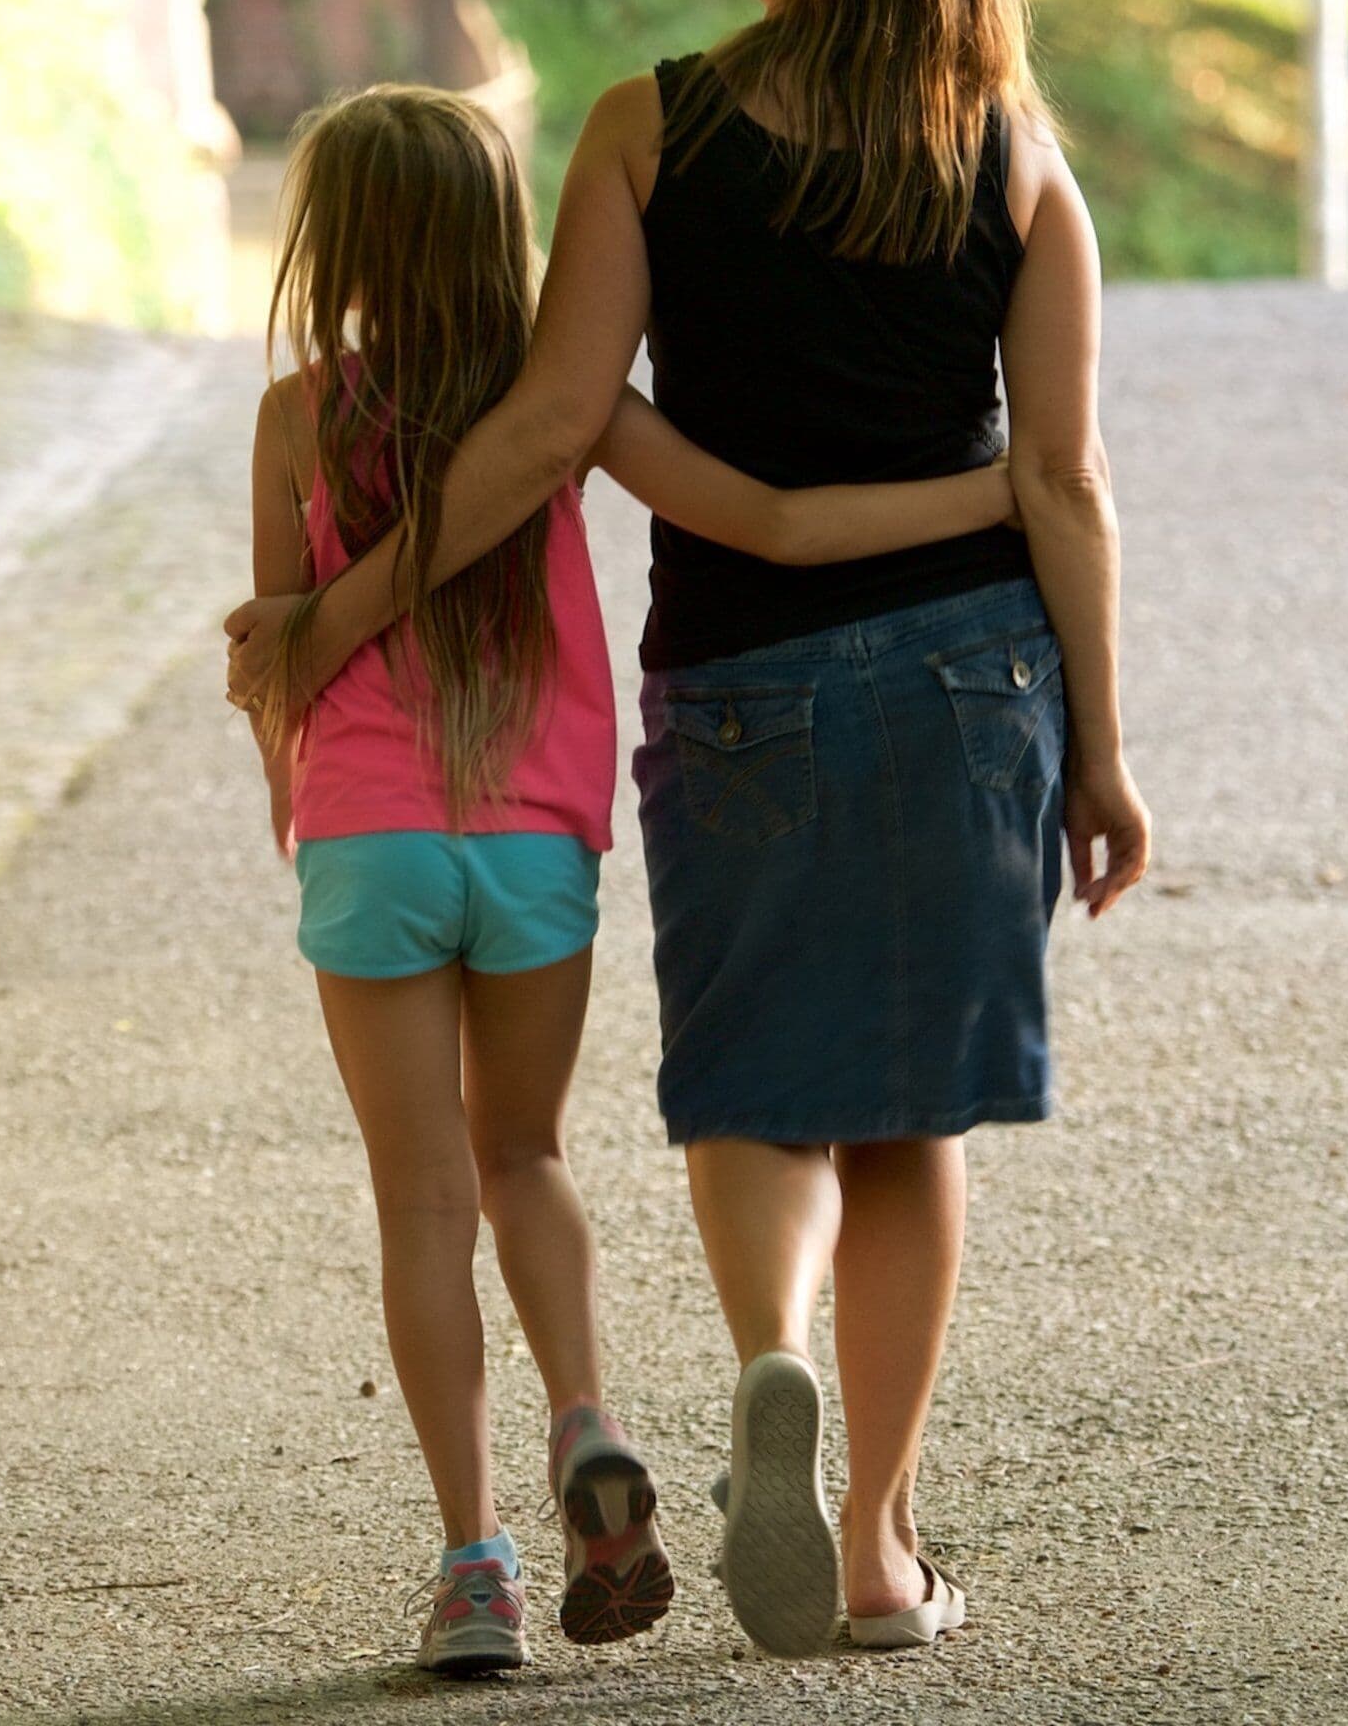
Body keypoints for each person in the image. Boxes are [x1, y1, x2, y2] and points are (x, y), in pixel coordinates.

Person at [231, 0, 1152, 1661]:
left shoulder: (652, 126)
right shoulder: (1018, 158)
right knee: (911, 1124)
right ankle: (882, 1552)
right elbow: (1065, 481)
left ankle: (768, 1364)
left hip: (739, 680)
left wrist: (335, 619)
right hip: (974, 674)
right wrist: (1109, 754)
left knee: (755, 1089)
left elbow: (552, 425)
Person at [246, 83, 1018, 1676]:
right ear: (500, 236)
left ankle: (476, 1568)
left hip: (371, 848)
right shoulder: (565, 410)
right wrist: (1005, 490)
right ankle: (586, 1412)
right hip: (534, 844)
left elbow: (281, 657)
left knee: (421, 1202)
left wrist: (300, 792)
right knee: (524, 1156)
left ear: (333, 244)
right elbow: (770, 518)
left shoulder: (302, 418)